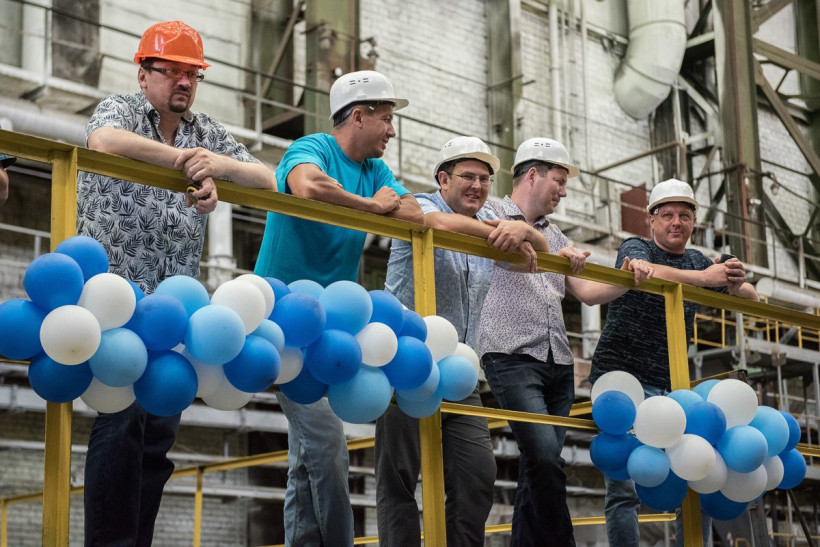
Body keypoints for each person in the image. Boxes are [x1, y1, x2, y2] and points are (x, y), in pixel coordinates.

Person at [78, 20, 275, 547]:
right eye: (171, 71)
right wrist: (185, 164)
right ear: (143, 74)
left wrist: (216, 166)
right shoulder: (121, 110)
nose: (184, 82)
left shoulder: (205, 132)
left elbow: (267, 177)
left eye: (193, 74)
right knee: (120, 425)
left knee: (158, 436)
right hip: (116, 302)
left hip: (173, 309)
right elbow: (103, 141)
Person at [253, 69, 423, 546]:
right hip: (284, 319)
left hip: (329, 326)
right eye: (386, 119)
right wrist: (371, 208)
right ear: (358, 116)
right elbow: (307, 186)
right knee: (327, 442)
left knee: (304, 458)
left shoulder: (375, 171)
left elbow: (413, 211)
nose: (392, 131)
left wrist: (381, 202)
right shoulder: (312, 147)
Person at [476, 138, 653, 547]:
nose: (564, 191)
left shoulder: (556, 235)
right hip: (510, 354)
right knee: (543, 457)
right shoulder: (491, 213)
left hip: (557, 362)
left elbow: (587, 293)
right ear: (532, 175)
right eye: (559, 180)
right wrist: (529, 236)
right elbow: (504, 258)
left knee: (538, 467)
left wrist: (628, 278)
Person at [375, 136, 548, 546]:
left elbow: (534, 261)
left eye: (485, 179)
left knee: (478, 473)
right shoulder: (420, 203)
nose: (478, 186)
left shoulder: (491, 220)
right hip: (405, 361)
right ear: (443, 179)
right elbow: (437, 224)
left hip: (458, 369)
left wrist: (525, 230)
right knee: (399, 475)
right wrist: (502, 231)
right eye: (468, 176)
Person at [588, 178, 758, 547]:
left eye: (684, 215)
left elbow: (751, 298)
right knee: (624, 484)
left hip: (671, 382)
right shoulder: (636, 246)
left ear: (694, 220)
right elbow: (645, 269)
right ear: (651, 219)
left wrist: (735, 280)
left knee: (696, 471)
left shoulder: (697, 260)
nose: (676, 222)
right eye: (667, 215)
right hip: (623, 380)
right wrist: (706, 278)